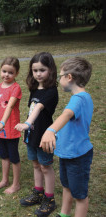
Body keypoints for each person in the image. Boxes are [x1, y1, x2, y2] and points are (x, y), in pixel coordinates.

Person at [40, 57, 93, 217]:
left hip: (77, 156)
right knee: (67, 186)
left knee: (80, 196)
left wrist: (51, 130)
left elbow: (67, 114)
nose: (59, 80)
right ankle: (63, 214)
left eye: (60, 76)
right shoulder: (82, 98)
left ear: (69, 77)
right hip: (67, 153)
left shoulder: (79, 99)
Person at [15, 52, 58, 217]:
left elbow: (39, 108)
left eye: (42, 70)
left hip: (44, 136)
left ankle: (49, 198)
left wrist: (27, 124)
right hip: (31, 135)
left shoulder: (51, 91)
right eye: (35, 70)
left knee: (46, 167)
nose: (38, 74)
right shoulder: (34, 88)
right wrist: (27, 132)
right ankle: (38, 192)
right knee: (35, 164)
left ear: (50, 70)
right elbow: (31, 109)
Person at [0, 57, 22, 194]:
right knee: (3, 155)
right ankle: (4, 180)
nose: (6, 75)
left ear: (16, 73)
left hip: (11, 128)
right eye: (4, 71)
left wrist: (2, 123)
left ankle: (16, 184)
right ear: (0, 70)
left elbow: (9, 106)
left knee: (13, 157)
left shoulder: (16, 88)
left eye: (10, 72)